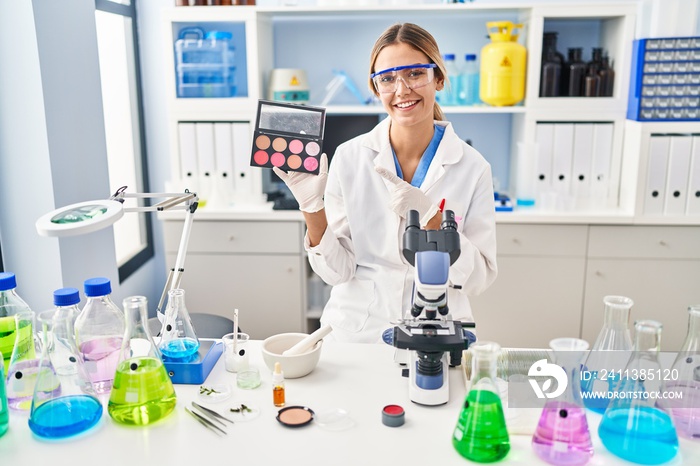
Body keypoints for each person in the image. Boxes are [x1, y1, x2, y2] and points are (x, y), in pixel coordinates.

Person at [274, 23, 497, 343]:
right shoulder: (350, 157)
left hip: (438, 328)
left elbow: (479, 279)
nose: (402, 89)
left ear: (439, 78)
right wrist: (311, 208)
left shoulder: (472, 167)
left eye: (415, 73)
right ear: (376, 89)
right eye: (388, 79)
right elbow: (337, 272)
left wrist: (433, 220)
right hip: (360, 329)